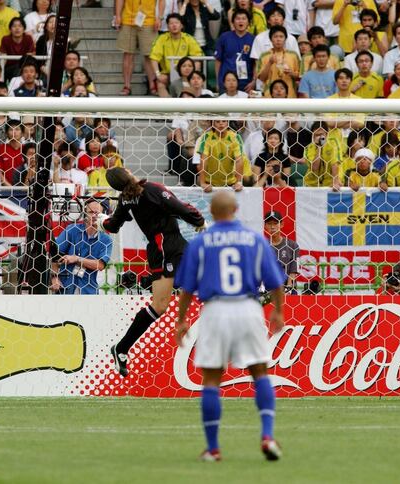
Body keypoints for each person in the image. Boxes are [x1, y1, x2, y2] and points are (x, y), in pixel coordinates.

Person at [173, 190, 285, 462]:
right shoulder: (255, 239)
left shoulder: (201, 242)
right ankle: (268, 435)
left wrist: (182, 319)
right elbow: (275, 282)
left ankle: (213, 448)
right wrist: (278, 311)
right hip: (248, 308)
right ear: (236, 209)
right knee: (260, 372)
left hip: (216, 310)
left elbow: (186, 287)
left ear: (211, 211)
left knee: (212, 379)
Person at [102, 166, 205, 377]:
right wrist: (199, 220)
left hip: (162, 248)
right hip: (167, 246)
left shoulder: (125, 199)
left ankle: (121, 348)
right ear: (128, 173)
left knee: (161, 304)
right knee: (162, 304)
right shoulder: (152, 189)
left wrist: (102, 220)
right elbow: (180, 207)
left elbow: (113, 226)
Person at [51, 200, 113, 295]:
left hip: (88, 292)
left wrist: (77, 259)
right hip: (65, 288)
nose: (94, 216)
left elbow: (100, 265)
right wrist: (54, 278)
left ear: (103, 214)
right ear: (85, 213)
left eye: (97, 213)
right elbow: (54, 255)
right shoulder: (72, 230)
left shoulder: (106, 239)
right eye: (91, 212)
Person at [264, 210, 299, 290]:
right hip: (268, 289)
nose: (272, 227)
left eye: (275, 223)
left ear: (281, 224)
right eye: (269, 224)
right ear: (265, 226)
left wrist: (289, 287)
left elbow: (294, 270)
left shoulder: (293, 245)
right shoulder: (262, 245)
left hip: (288, 288)